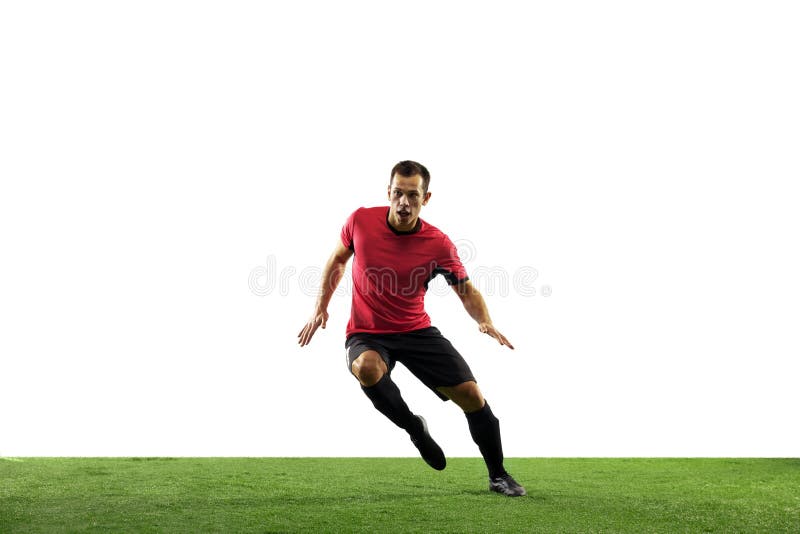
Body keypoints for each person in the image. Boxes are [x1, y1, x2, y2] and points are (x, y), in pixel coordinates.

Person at [297, 160, 526, 497]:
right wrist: (320, 308)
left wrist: (484, 320)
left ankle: (498, 475)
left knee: (473, 397)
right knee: (366, 368)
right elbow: (338, 260)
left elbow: (465, 288)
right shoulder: (360, 221)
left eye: (413, 196)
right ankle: (415, 428)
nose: (404, 202)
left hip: (416, 331)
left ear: (426, 198)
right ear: (389, 193)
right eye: (398, 194)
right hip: (368, 332)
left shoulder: (438, 244)